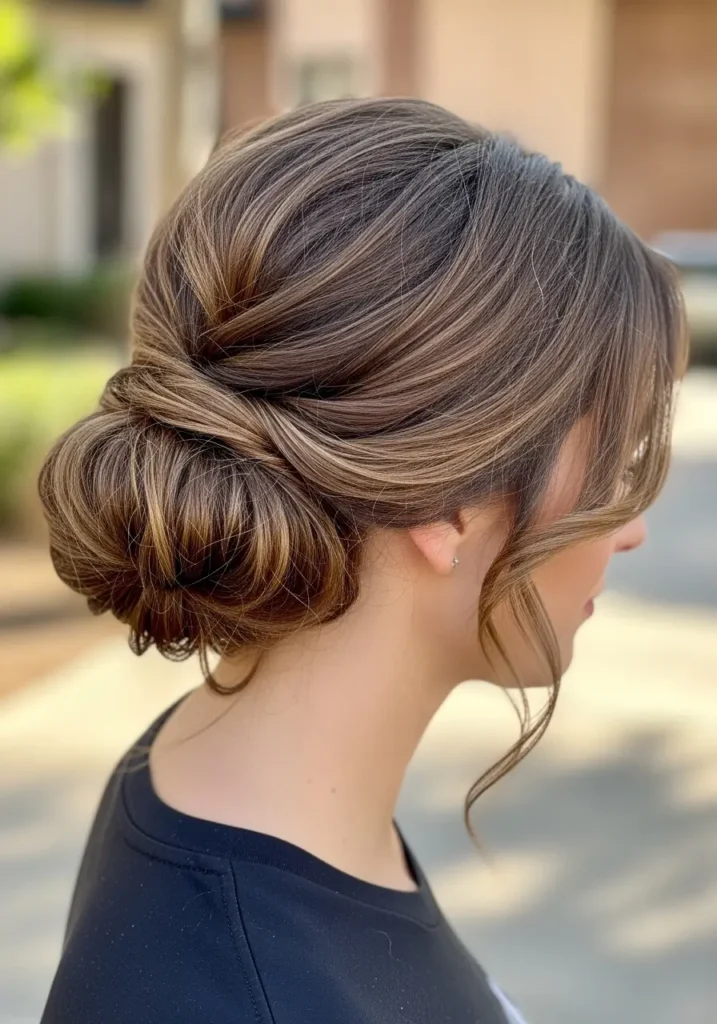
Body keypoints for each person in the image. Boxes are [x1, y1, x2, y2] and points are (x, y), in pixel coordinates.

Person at [38, 98, 686, 1024]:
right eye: (617, 466)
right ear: (446, 505)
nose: (630, 530)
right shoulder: (238, 988)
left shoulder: (219, 769)